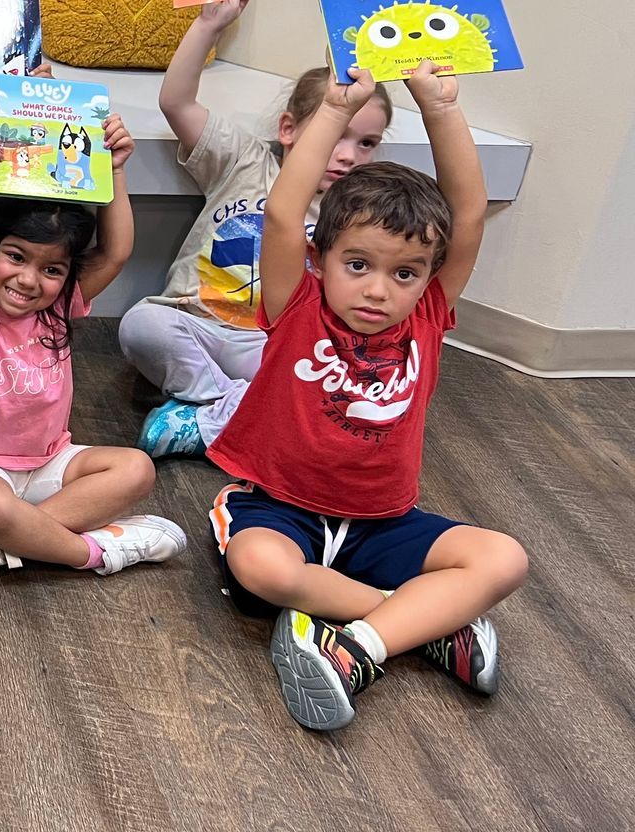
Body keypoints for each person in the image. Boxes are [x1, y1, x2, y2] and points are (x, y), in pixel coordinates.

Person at [207, 63, 528, 733]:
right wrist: (332, 110)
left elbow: (468, 215)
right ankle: (420, 622)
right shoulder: (296, 303)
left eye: (404, 273)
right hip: (281, 510)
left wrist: (439, 108)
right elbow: (285, 212)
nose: (379, 290)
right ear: (321, 260)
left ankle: (359, 647)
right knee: (257, 567)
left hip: (382, 522)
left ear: (427, 281)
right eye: (359, 265)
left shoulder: (428, 316)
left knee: (505, 559)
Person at [122, 0, 393, 460]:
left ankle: (206, 415)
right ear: (288, 129)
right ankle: (234, 408)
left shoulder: (354, 214)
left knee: (324, 375)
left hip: (269, 346)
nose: (349, 155)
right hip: (193, 324)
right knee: (141, 324)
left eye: (367, 142)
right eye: (337, 134)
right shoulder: (246, 161)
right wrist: (210, 24)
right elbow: (176, 102)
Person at [0, 122, 186, 593]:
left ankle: (0, 545)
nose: (29, 279)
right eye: (16, 257)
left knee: (137, 468)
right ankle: (94, 553)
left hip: (49, 464)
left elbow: (117, 252)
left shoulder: (58, 310)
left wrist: (114, 171)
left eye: (52, 269)